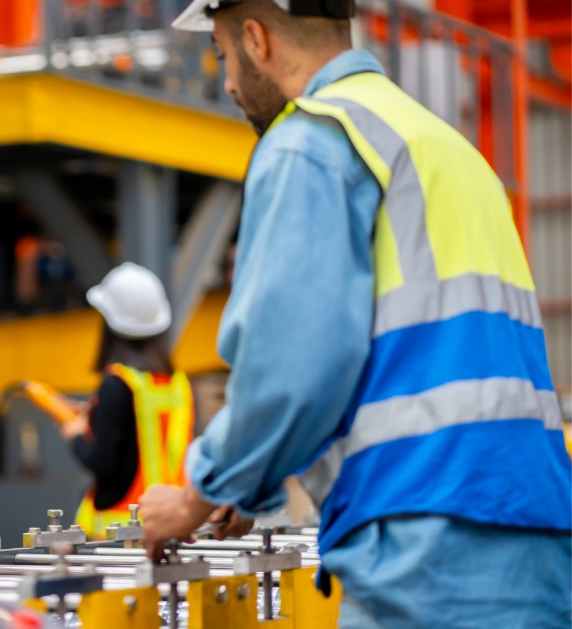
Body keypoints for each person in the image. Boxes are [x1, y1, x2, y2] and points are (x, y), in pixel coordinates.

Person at [139, 1, 572, 626]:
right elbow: (402, 361)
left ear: (256, 39)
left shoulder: (311, 141)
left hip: (422, 543)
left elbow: (293, 371)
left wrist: (196, 494)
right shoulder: (447, 148)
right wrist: (248, 484)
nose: (228, 82)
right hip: (535, 530)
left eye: (223, 56)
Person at [62, 263, 195, 539]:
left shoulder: (117, 384)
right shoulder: (178, 383)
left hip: (121, 533)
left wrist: (75, 436)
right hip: (171, 524)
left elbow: (103, 461)